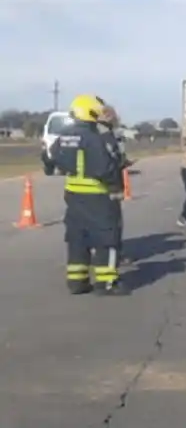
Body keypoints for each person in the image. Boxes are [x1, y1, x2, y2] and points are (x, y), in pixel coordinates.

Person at [49, 94, 126, 295]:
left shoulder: (63, 135)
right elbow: (106, 166)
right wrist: (116, 187)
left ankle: (77, 281)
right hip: (98, 195)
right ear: (91, 111)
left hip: (73, 195)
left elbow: (49, 160)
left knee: (77, 237)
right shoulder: (95, 138)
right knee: (107, 238)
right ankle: (106, 283)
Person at [96, 105, 129, 263]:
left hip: (98, 186)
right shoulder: (107, 134)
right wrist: (123, 161)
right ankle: (112, 254)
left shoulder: (95, 132)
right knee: (113, 222)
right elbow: (116, 157)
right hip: (110, 184)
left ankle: (100, 251)